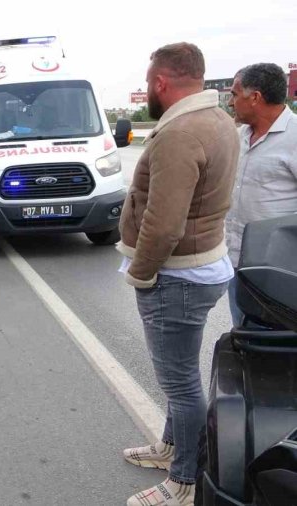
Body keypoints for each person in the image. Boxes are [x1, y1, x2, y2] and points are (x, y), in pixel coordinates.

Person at [117, 43, 239, 506]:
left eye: (150, 82)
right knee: (180, 375)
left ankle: (185, 481)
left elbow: (164, 224)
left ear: (161, 83)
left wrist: (141, 275)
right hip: (203, 265)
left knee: (180, 383)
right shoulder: (219, 120)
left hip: (177, 277)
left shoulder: (180, 132)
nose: (148, 89)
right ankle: (171, 447)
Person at [224, 63, 297, 327]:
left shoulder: (294, 136)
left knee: (277, 349)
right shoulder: (239, 136)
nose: (231, 102)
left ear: (254, 97)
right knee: (244, 338)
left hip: (280, 272)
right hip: (236, 262)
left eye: (234, 94)